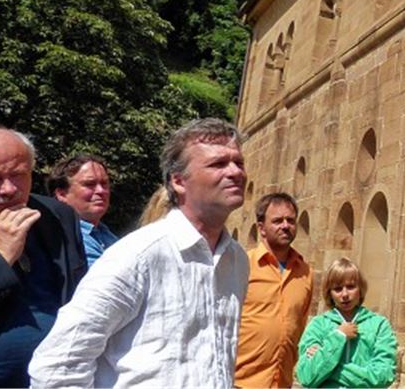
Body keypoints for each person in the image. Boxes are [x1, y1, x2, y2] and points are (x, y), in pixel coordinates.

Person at [28, 118, 250, 388]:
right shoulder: (139, 255)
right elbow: (58, 364)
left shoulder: (236, 260)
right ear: (178, 181)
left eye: (238, 162)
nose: (235, 172)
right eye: (218, 164)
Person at [0, 128, 87, 388]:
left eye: (18, 175)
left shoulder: (57, 216)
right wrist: (0, 257)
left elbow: (81, 293)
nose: (8, 189)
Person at [235, 192, 315, 388]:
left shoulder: (305, 273)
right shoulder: (242, 265)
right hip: (240, 382)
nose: (285, 226)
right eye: (278, 221)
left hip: (282, 382)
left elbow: (300, 325)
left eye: (290, 220)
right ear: (261, 228)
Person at [296, 258, 397, 388]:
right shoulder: (318, 325)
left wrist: (329, 367)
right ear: (330, 293)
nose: (344, 294)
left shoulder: (379, 325)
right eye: (337, 289)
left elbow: (383, 376)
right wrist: (338, 336)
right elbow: (307, 376)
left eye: (350, 287)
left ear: (360, 289)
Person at [46, 153, 118, 266]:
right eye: (89, 184)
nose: (101, 191)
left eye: (104, 184)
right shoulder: (64, 239)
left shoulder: (105, 234)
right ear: (62, 194)